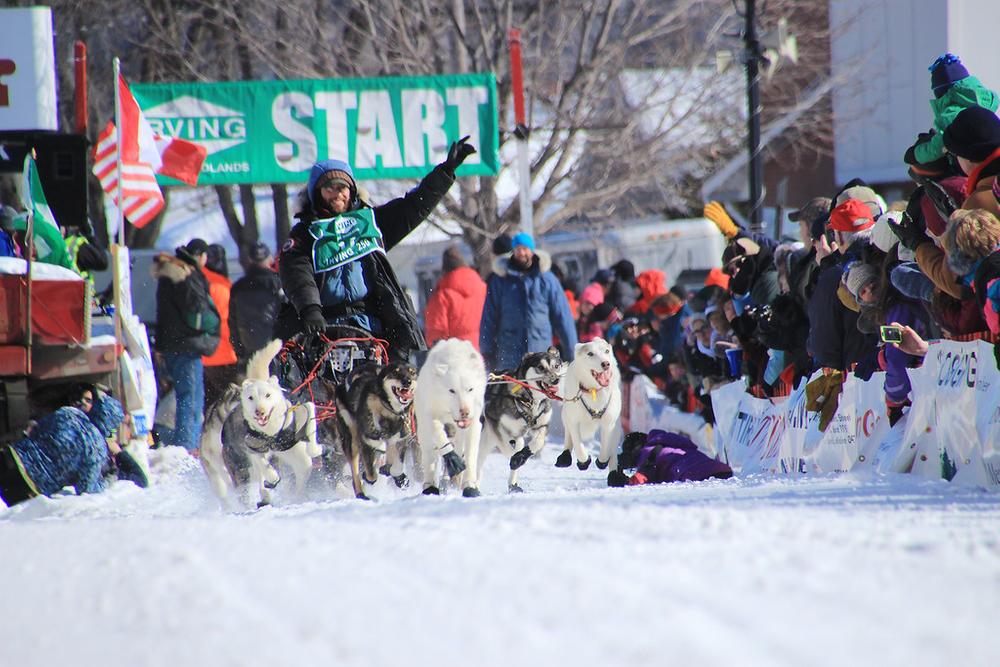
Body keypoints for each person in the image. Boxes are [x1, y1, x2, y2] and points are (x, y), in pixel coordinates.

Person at [279, 137, 477, 361]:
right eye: (329, 188)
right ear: (317, 193)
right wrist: (310, 309)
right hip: (324, 328)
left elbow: (412, 207)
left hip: (372, 329)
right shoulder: (305, 234)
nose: (337, 194)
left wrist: (446, 171)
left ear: (352, 190)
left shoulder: (370, 223)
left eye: (342, 187)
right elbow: (296, 273)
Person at [0, 390, 129, 506]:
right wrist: (108, 480)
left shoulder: (68, 413)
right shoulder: (97, 449)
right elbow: (87, 489)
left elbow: (36, 430)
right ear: (112, 424)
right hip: (28, 485)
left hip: (10, 456)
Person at [152, 238, 220, 454]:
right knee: (190, 401)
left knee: (186, 398)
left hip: (171, 343)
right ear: (201, 256)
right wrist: (213, 322)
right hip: (186, 346)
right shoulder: (185, 276)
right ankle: (187, 449)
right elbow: (196, 312)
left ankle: (186, 445)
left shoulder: (172, 274)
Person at [480, 232, 577, 370]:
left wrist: (572, 352)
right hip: (510, 356)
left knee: (541, 390)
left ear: (532, 250)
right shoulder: (500, 281)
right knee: (511, 391)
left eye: (525, 249)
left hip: (541, 353)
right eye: (518, 249)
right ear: (513, 251)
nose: (521, 253)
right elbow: (488, 318)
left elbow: (563, 318)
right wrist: (486, 351)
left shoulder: (547, 280)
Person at [229, 241, 284, 367]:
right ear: (269, 258)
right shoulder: (278, 283)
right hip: (276, 347)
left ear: (249, 260)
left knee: (254, 384)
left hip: (249, 348)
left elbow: (232, 321)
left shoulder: (238, 287)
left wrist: (239, 349)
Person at [424, 245, 487, 349]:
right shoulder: (483, 287)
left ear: (445, 269)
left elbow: (435, 334)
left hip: (455, 356)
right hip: (481, 354)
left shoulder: (442, 295)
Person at [202, 243, 238, 408]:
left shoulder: (198, 281)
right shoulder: (220, 286)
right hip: (222, 354)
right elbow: (227, 321)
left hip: (203, 354)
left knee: (209, 405)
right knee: (226, 404)